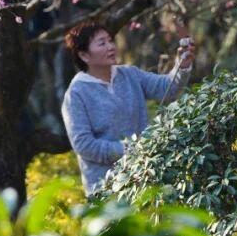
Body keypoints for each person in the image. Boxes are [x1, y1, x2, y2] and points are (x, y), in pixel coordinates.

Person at [61, 23, 194, 195]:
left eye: (110, 41)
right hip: (106, 189)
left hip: (144, 177)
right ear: (84, 55)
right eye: (102, 43)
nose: (111, 47)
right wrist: (128, 149)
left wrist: (182, 66)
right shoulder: (76, 93)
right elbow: (84, 145)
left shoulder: (130, 74)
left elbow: (167, 88)